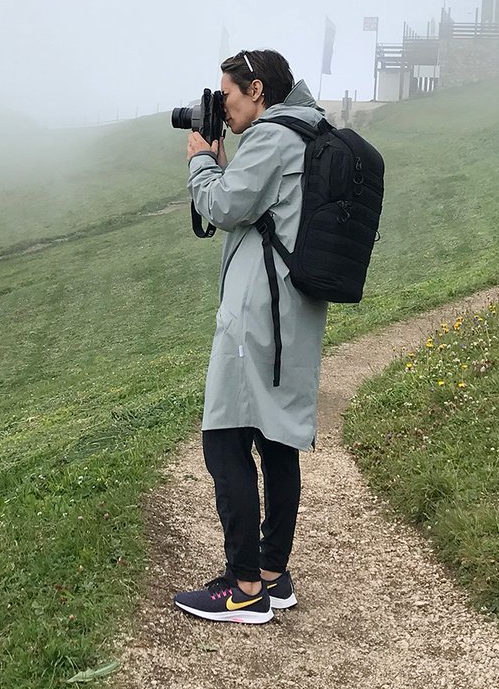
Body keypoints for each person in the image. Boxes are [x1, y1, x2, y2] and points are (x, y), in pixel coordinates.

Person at [173, 49, 329, 625]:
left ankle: (242, 589)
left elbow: (222, 202)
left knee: (225, 439)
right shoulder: (311, 130)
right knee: (277, 439)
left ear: (257, 89)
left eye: (228, 96)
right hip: (294, 313)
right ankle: (271, 573)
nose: (224, 108)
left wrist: (201, 162)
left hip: (257, 313)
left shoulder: (271, 138)